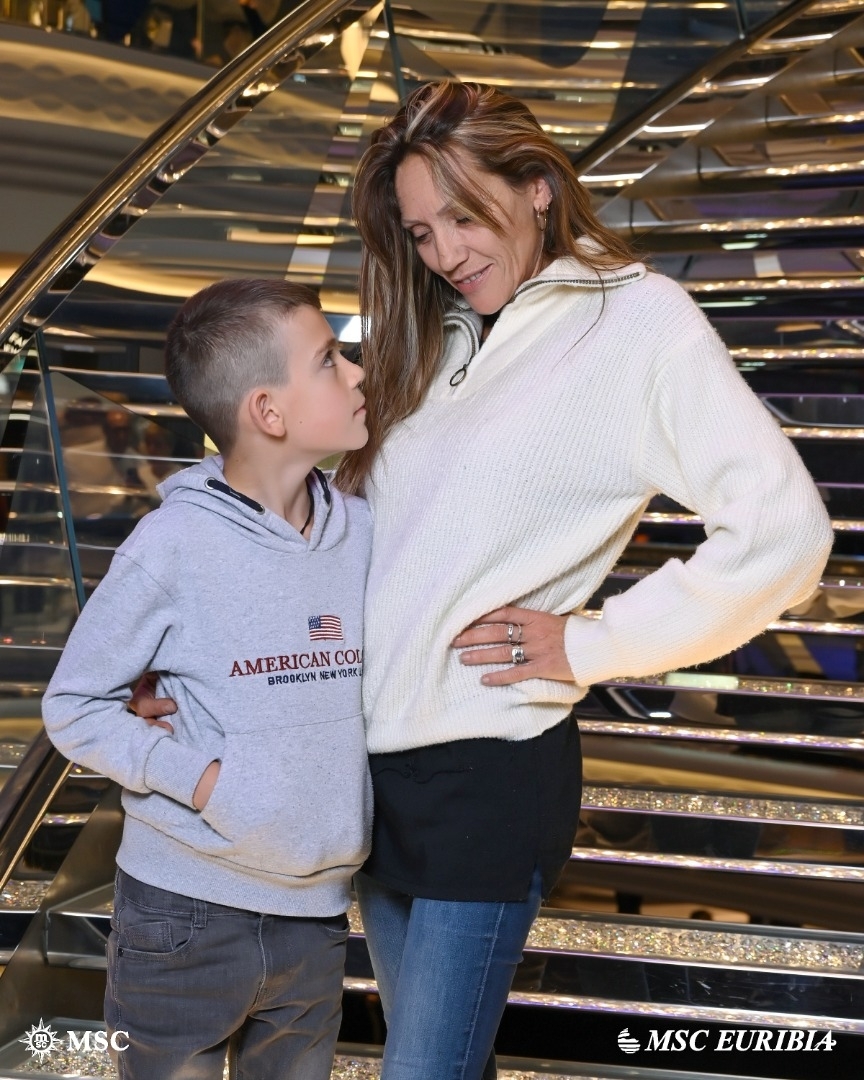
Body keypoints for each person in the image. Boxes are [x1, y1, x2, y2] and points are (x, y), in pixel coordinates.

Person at [137, 82, 834, 1079]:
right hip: (366, 776)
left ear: (539, 186)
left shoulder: (638, 323)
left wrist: (593, 643)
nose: (445, 253)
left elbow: (784, 531)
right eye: (421, 232)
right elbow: (341, 552)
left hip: (490, 771)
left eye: (465, 217)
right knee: (439, 1062)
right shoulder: (434, 338)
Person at [42, 279, 372, 1080]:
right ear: (268, 411)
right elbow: (74, 705)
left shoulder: (365, 531)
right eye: (329, 360)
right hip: (182, 912)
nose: (358, 373)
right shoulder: (172, 544)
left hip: (317, 916)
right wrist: (205, 782)